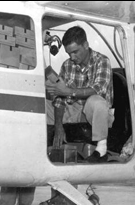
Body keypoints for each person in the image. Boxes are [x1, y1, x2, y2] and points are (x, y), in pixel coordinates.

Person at [46, 26, 114, 163]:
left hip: (94, 113)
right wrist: (59, 126)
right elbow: (60, 99)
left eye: (75, 52)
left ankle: (101, 150)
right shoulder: (67, 65)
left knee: (96, 101)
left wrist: (68, 91)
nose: (72, 57)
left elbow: (98, 90)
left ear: (86, 45)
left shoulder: (102, 61)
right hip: (73, 110)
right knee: (41, 106)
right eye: (68, 53)